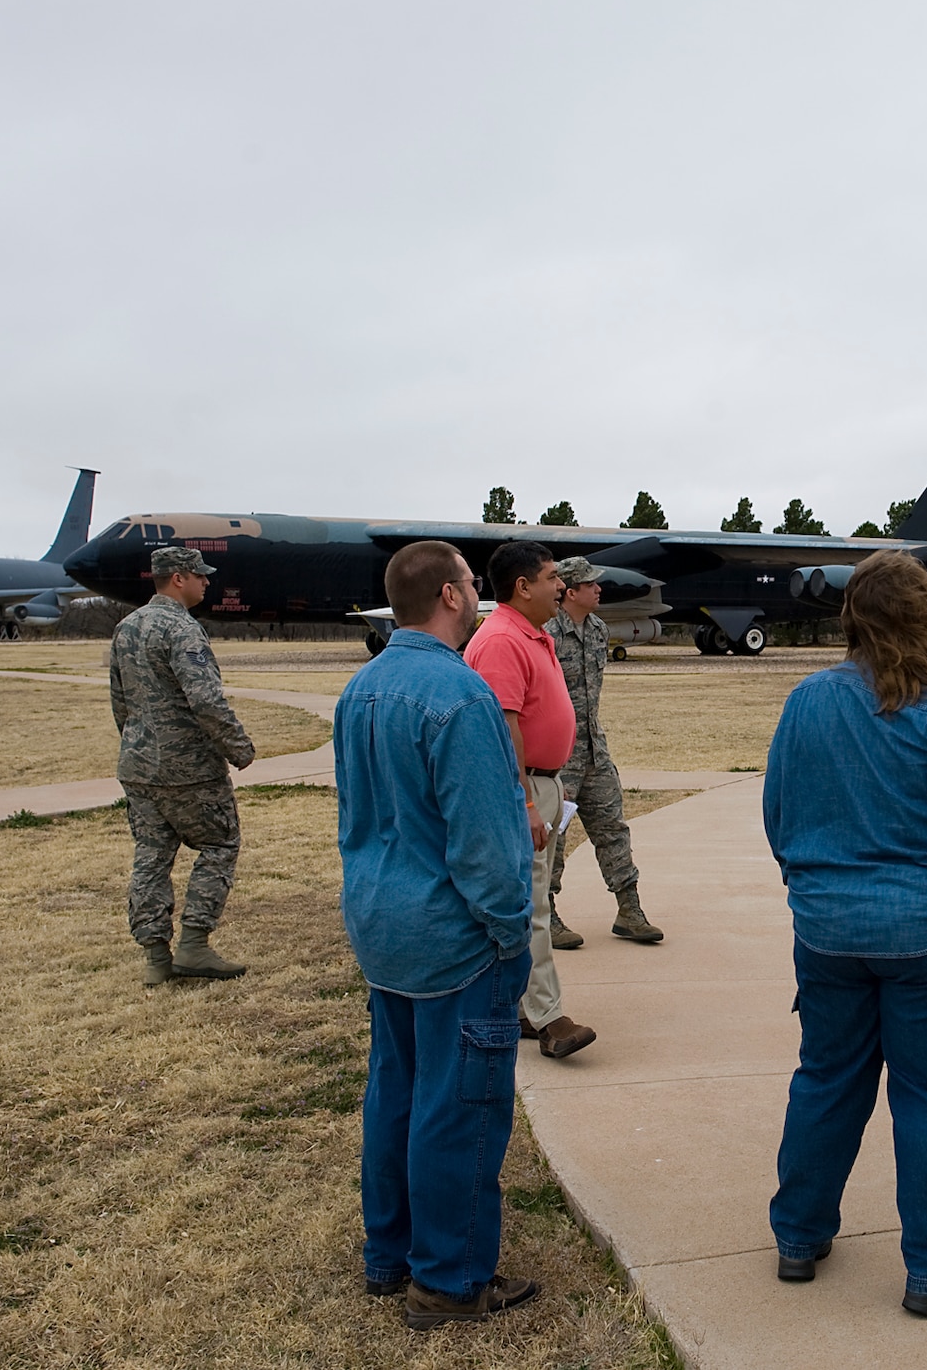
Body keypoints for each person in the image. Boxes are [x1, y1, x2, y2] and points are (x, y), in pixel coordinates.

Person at [763, 550, 927, 1318]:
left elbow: (778, 812)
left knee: (826, 1079)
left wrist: (814, 887)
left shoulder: (807, 699)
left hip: (829, 931)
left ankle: (799, 1235)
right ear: (926, 614)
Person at [335, 539, 541, 1330]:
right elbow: (486, 846)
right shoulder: (459, 696)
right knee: (457, 1104)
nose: (477, 595)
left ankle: (390, 1254)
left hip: (382, 925)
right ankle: (449, 1280)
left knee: (395, 1089)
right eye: (470, 583)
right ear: (451, 596)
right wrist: (509, 933)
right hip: (454, 940)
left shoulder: (361, 688)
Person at [463, 539, 596, 1060]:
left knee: (530, 899)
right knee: (532, 904)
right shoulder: (502, 640)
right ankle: (548, 1017)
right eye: (551, 577)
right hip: (521, 787)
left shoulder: (530, 634)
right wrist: (523, 800)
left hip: (542, 783)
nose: (561, 585)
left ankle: (518, 1006)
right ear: (523, 587)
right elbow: (503, 725)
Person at [109, 545, 257, 985]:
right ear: (178, 578)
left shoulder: (126, 627)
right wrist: (238, 747)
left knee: (151, 857)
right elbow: (206, 699)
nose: (207, 583)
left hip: (139, 766)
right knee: (220, 845)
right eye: (201, 576)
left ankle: (156, 958)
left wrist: (137, 745)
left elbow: (120, 701)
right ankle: (193, 946)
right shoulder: (182, 630)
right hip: (189, 769)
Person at [546, 555, 661, 947]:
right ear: (570, 591)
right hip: (558, 759)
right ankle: (546, 915)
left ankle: (630, 910)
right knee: (552, 837)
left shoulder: (597, 630)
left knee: (613, 829)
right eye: (591, 584)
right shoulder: (545, 633)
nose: (599, 589)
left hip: (595, 752)